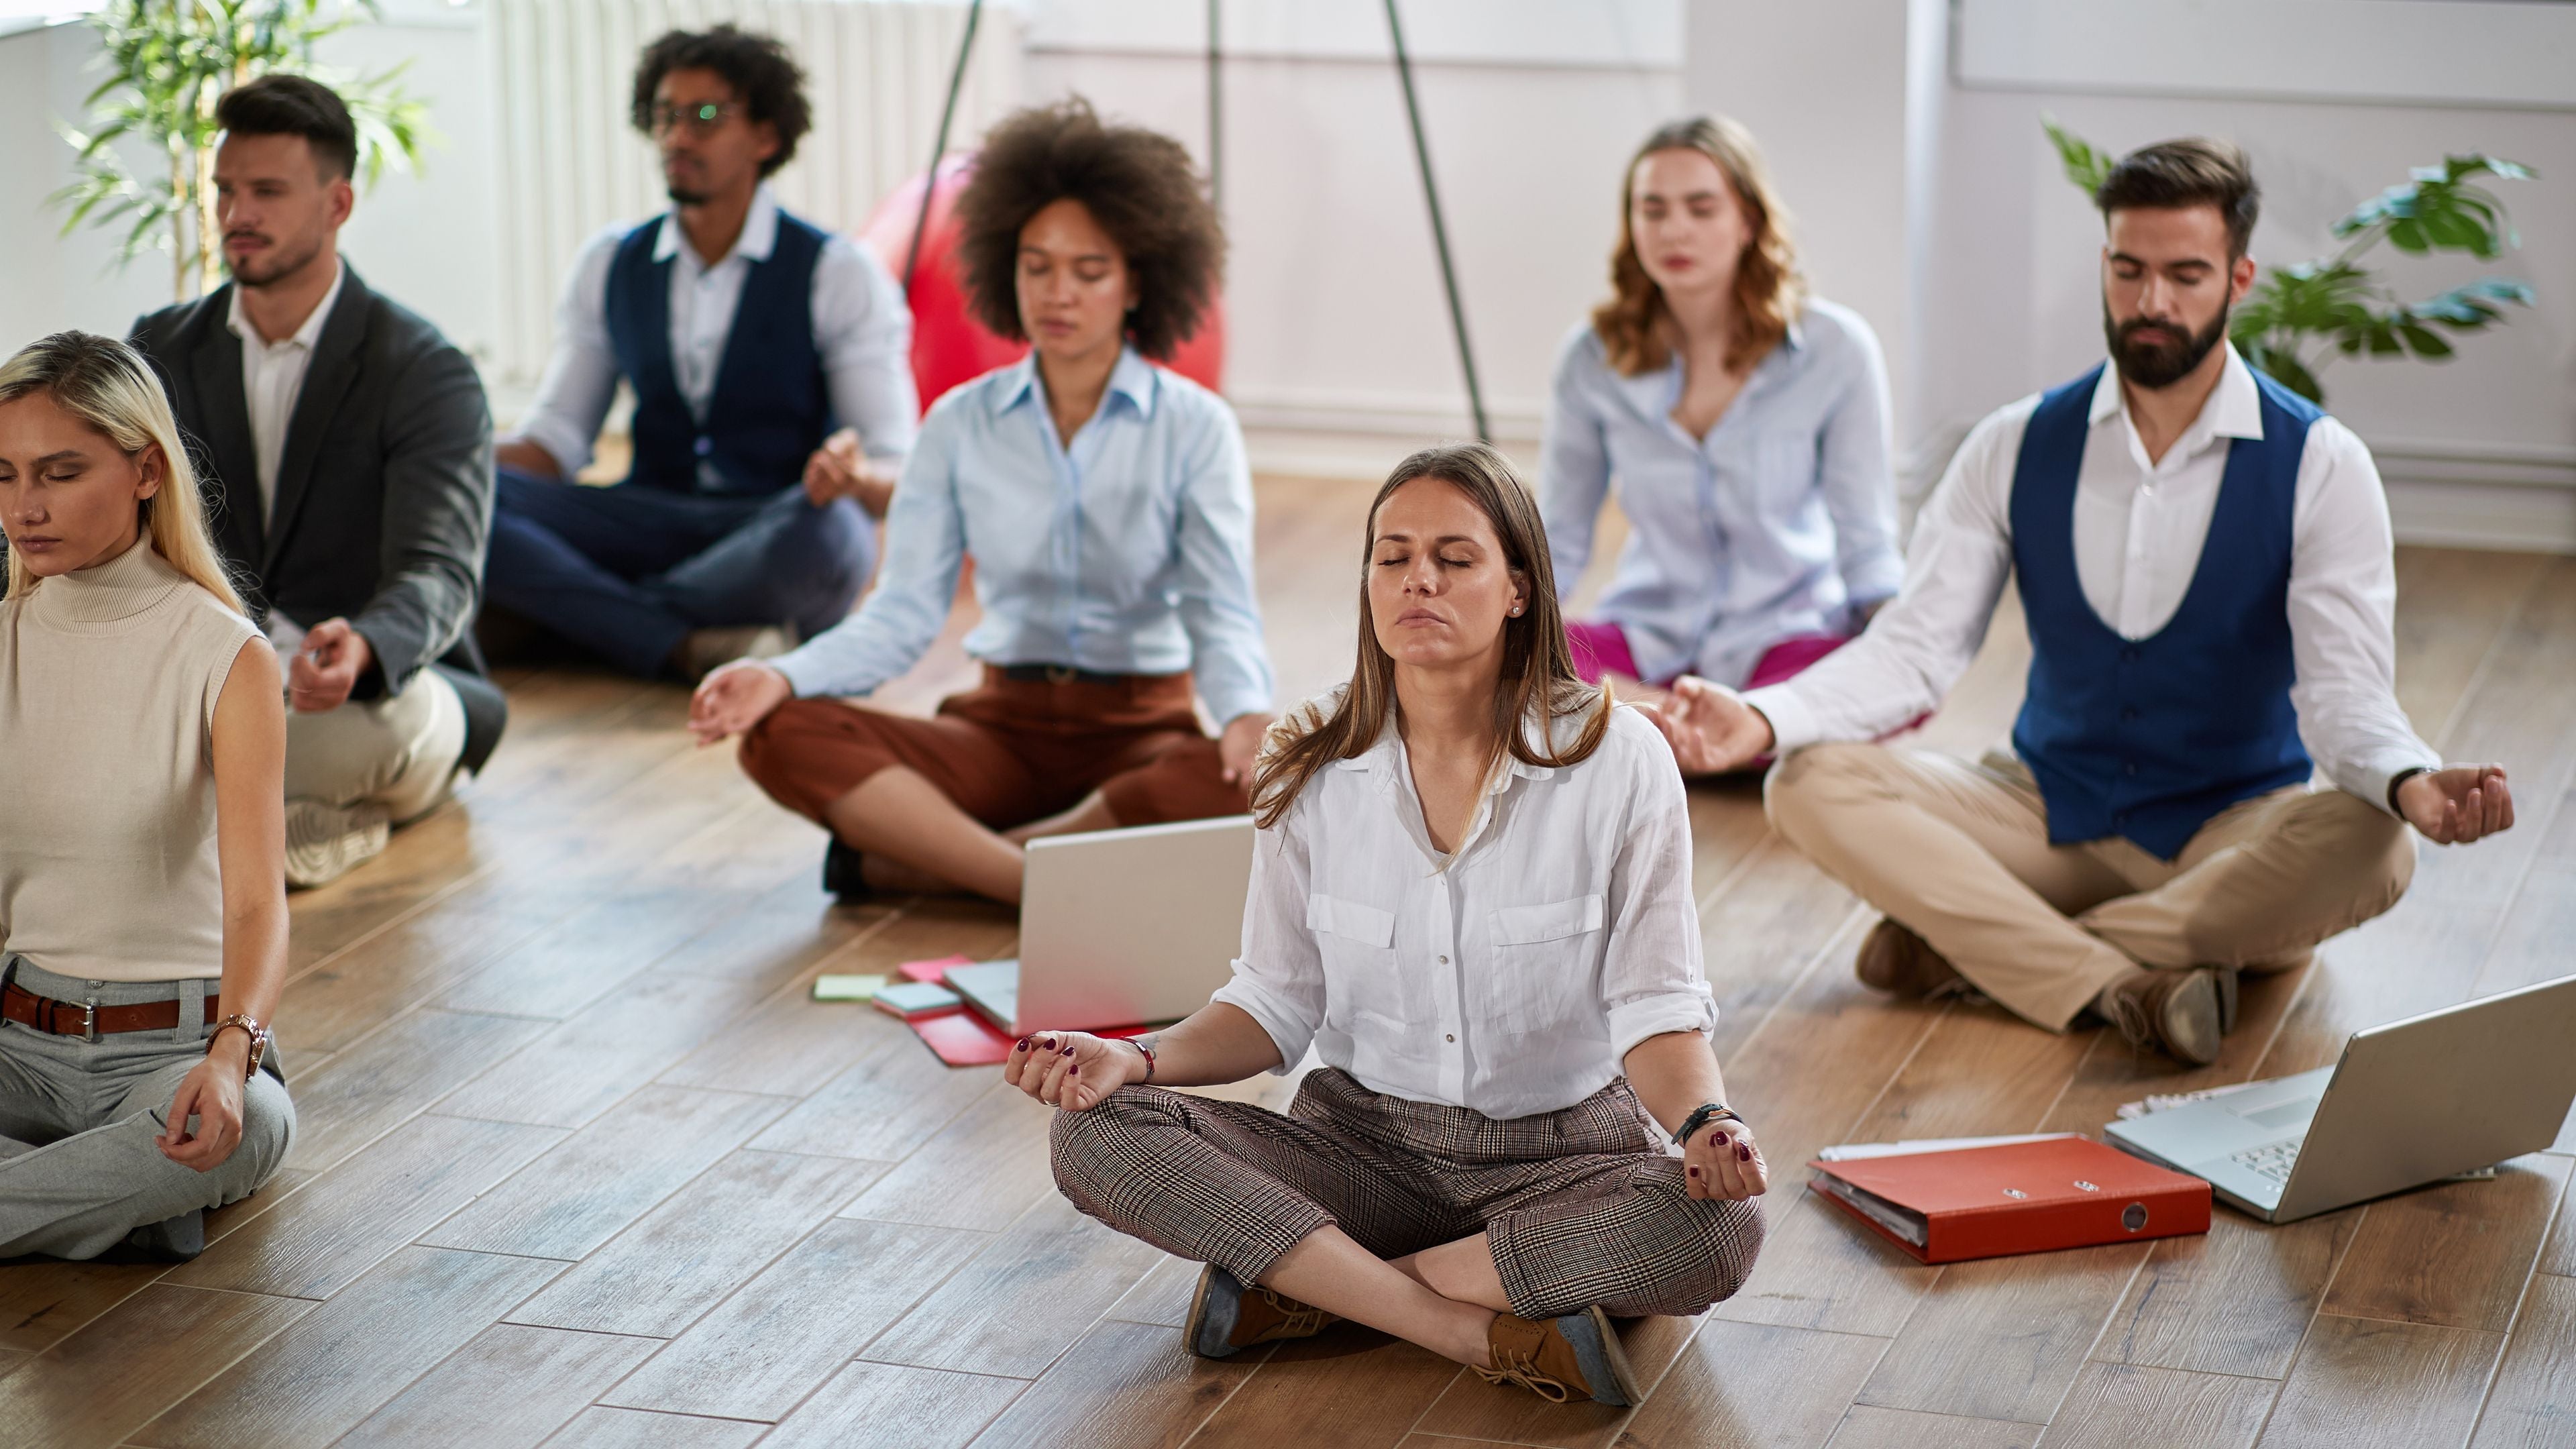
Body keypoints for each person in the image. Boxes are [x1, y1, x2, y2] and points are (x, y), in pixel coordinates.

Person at [1649, 139, 2514, 1065]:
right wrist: (1761, 716)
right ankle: (2127, 976)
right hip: (2044, 810)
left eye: (2186, 275)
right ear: (2104, 265)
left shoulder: (2323, 464)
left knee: (2378, 842)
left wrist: (2411, 779)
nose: (2152, 303)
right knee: (1808, 781)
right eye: (2129, 270)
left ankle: (1980, 952)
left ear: (2241, 277)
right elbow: (1914, 649)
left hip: (2231, 833)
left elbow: (2344, 695)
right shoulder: (2014, 443)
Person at [1010, 443, 1766, 1407]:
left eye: (1455, 559)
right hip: (1357, 1155)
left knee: (1719, 1228)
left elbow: (1657, 1007)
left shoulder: (1620, 758)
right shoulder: (1306, 754)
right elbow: (1273, 1004)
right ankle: (1463, 1325)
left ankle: (1317, 1289)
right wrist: (1135, 1059)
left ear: (1519, 590)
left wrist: (1708, 1123)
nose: (1418, 579)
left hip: (1567, 1160)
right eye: (1392, 555)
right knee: (1093, 1131)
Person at [690, 99, 1275, 906]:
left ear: (1139, 279)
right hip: (997, 732)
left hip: (1141, 740)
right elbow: (902, 617)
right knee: (780, 731)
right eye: (1036, 266)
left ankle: (926, 865)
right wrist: (782, 676)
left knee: (1268, 781)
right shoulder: (959, 422)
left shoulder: (1196, 426)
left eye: (1089, 270)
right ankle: (1034, 884)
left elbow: (1222, 608)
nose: (1056, 293)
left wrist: (1246, 713)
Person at [130, 74, 504, 889]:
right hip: (212, 686)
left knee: (216, 770)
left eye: (267, 191)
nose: (237, 215)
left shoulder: (425, 371)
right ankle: (301, 834)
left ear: (338, 205)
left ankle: (221, 842)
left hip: (373, 694)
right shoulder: (161, 349)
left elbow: (440, 571)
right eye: (226, 190)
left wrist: (368, 646)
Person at [488, 23, 918, 681]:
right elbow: (556, 443)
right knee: (466, 499)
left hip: (772, 521)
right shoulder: (612, 262)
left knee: (831, 538)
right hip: (646, 516)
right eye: (665, 117)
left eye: (706, 117)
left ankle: (576, 620)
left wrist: (855, 476)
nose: (678, 138)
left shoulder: (837, 271)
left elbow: (896, 470)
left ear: (767, 137)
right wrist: (449, 453)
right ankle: (681, 642)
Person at [0, 332, 294, 1261]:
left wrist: (228, 1055)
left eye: (59, 472)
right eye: (2, 476)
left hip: (175, 1054)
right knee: (148, 1175)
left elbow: (257, 901)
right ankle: (103, 1208)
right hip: (16, 1042)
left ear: (146, 471)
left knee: (236, 1131)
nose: (24, 507)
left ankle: (101, 1200)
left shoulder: (226, 655)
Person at [1543, 116, 1902, 715]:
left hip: (1785, 640)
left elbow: (1867, 544)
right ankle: (1694, 728)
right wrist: (1504, 639)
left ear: (1748, 221)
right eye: (1652, 210)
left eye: (1701, 208)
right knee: (1507, 668)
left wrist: (1898, 647)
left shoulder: (1836, 350)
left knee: (1875, 682)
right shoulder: (1591, 358)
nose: (1674, 230)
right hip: (1646, 633)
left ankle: (1657, 732)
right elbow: (1559, 538)